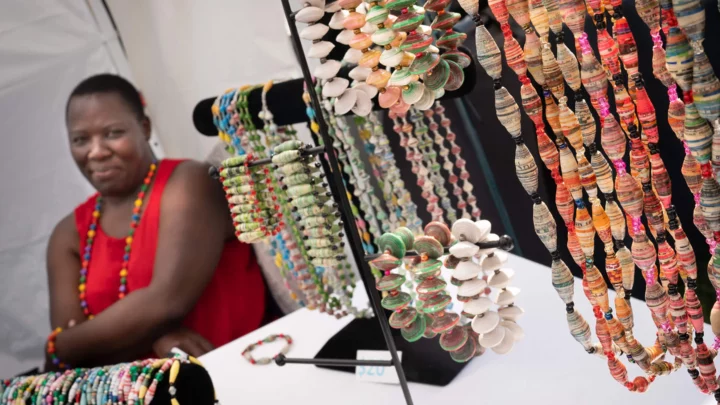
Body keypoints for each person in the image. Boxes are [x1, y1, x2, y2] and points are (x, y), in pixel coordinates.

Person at [45, 73, 267, 369]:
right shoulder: (67, 235)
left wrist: (75, 343)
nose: (96, 152)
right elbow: (65, 355)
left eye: (112, 133)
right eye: (81, 139)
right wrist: (155, 337)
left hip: (245, 371)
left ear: (145, 127)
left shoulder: (188, 183)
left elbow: (167, 303)